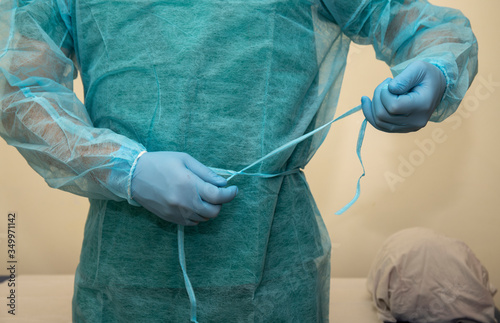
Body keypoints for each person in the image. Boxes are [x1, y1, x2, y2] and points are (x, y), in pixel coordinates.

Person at [0, 0, 477, 321]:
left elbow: (415, 21)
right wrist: (125, 168)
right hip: (124, 288)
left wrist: (435, 68)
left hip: (277, 282)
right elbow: (17, 85)